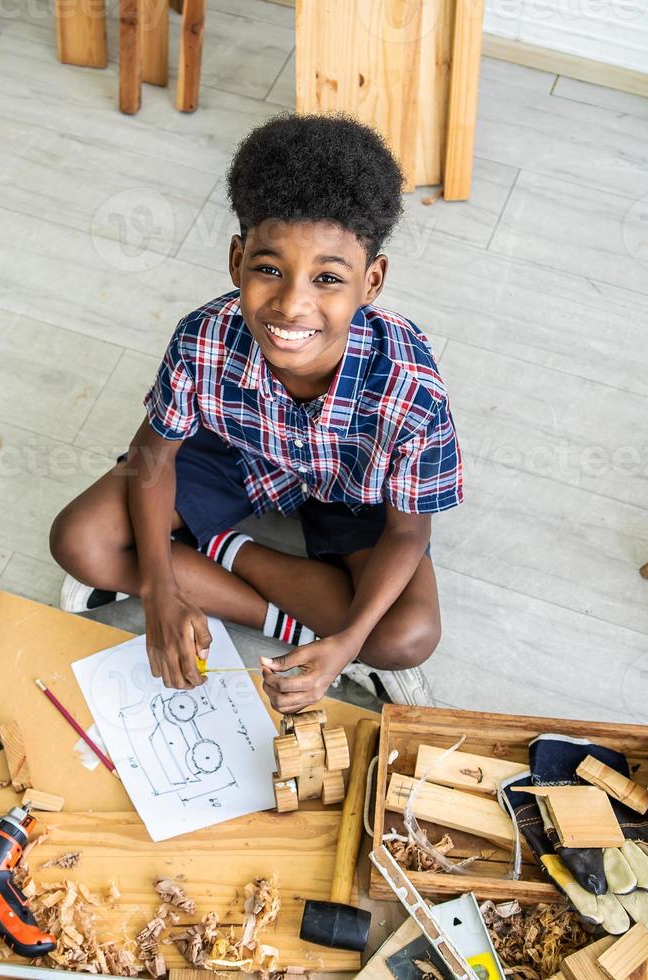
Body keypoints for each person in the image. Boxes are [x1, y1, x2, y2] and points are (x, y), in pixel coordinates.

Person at [49, 113, 462, 713]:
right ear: (237, 259)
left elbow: (408, 530)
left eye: (328, 278)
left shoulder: (410, 387)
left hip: (351, 493)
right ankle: (275, 620)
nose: (293, 306)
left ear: (371, 282)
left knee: (406, 636)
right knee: (80, 541)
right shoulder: (204, 338)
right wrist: (161, 592)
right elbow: (151, 458)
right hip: (236, 458)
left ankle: (221, 549)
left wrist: (347, 644)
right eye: (269, 269)